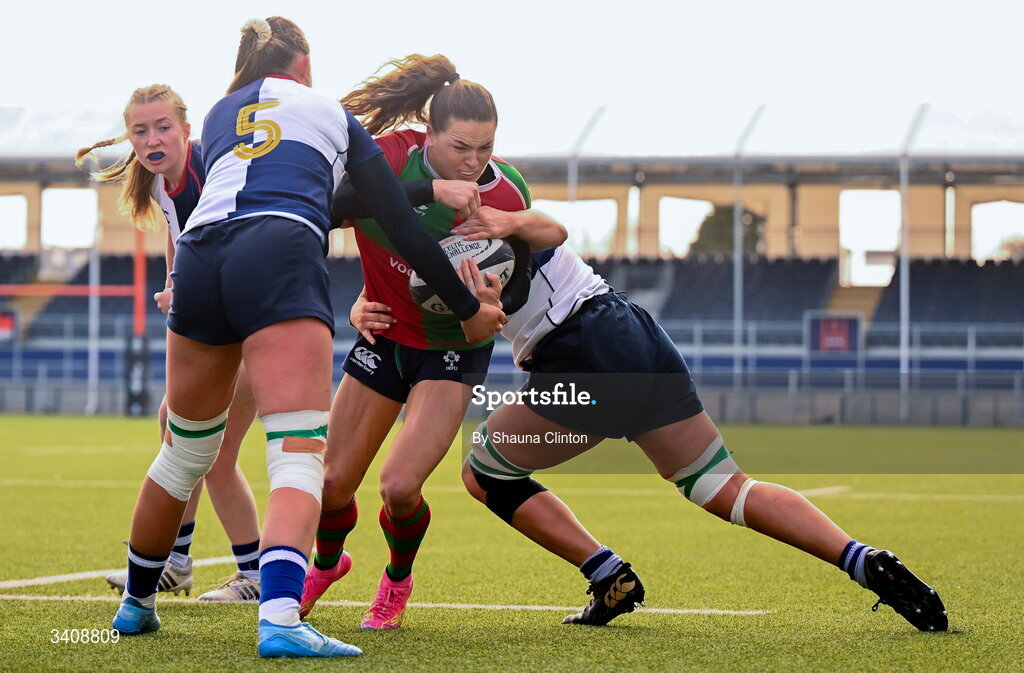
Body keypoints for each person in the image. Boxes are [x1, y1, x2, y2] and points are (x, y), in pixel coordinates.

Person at [106, 20, 502, 659]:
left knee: (182, 453)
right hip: (278, 252)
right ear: (305, 61)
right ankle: (282, 618)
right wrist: (467, 309)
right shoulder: (327, 111)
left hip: (202, 262)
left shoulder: (219, 112)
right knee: (296, 451)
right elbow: (396, 222)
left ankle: (135, 605)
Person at [351, 236, 949, 633]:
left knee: (484, 470)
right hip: (630, 328)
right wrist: (364, 301)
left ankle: (607, 574)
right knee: (723, 487)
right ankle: (863, 559)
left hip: (581, 349)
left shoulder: (472, 207)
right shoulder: (506, 195)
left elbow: (473, 311)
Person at [299, 54, 566, 631]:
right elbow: (328, 210)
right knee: (329, 484)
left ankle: (396, 579)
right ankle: (326, 564)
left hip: (452, 351)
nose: (473, 163)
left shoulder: (505, 189)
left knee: (398, 487)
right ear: (429, 133)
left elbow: (519, 279)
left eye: (485, 148)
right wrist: (426, 191)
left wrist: (495, 298)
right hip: (384, 335)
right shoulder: (391, 157)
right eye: (460, 148)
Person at [77, 84, 262, 603]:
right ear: (130, 137)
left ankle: (253, 573)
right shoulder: (161, 181)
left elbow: (236, 249)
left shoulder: (208, 174)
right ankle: (176, 562)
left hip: (251, 324)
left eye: (163, 127)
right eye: (141, 131)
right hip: (221, 325)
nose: (153, 138)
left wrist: (192, 291)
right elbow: (176, 233)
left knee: (212, 452)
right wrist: (175, 280)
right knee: (176, 430)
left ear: (186, 128)